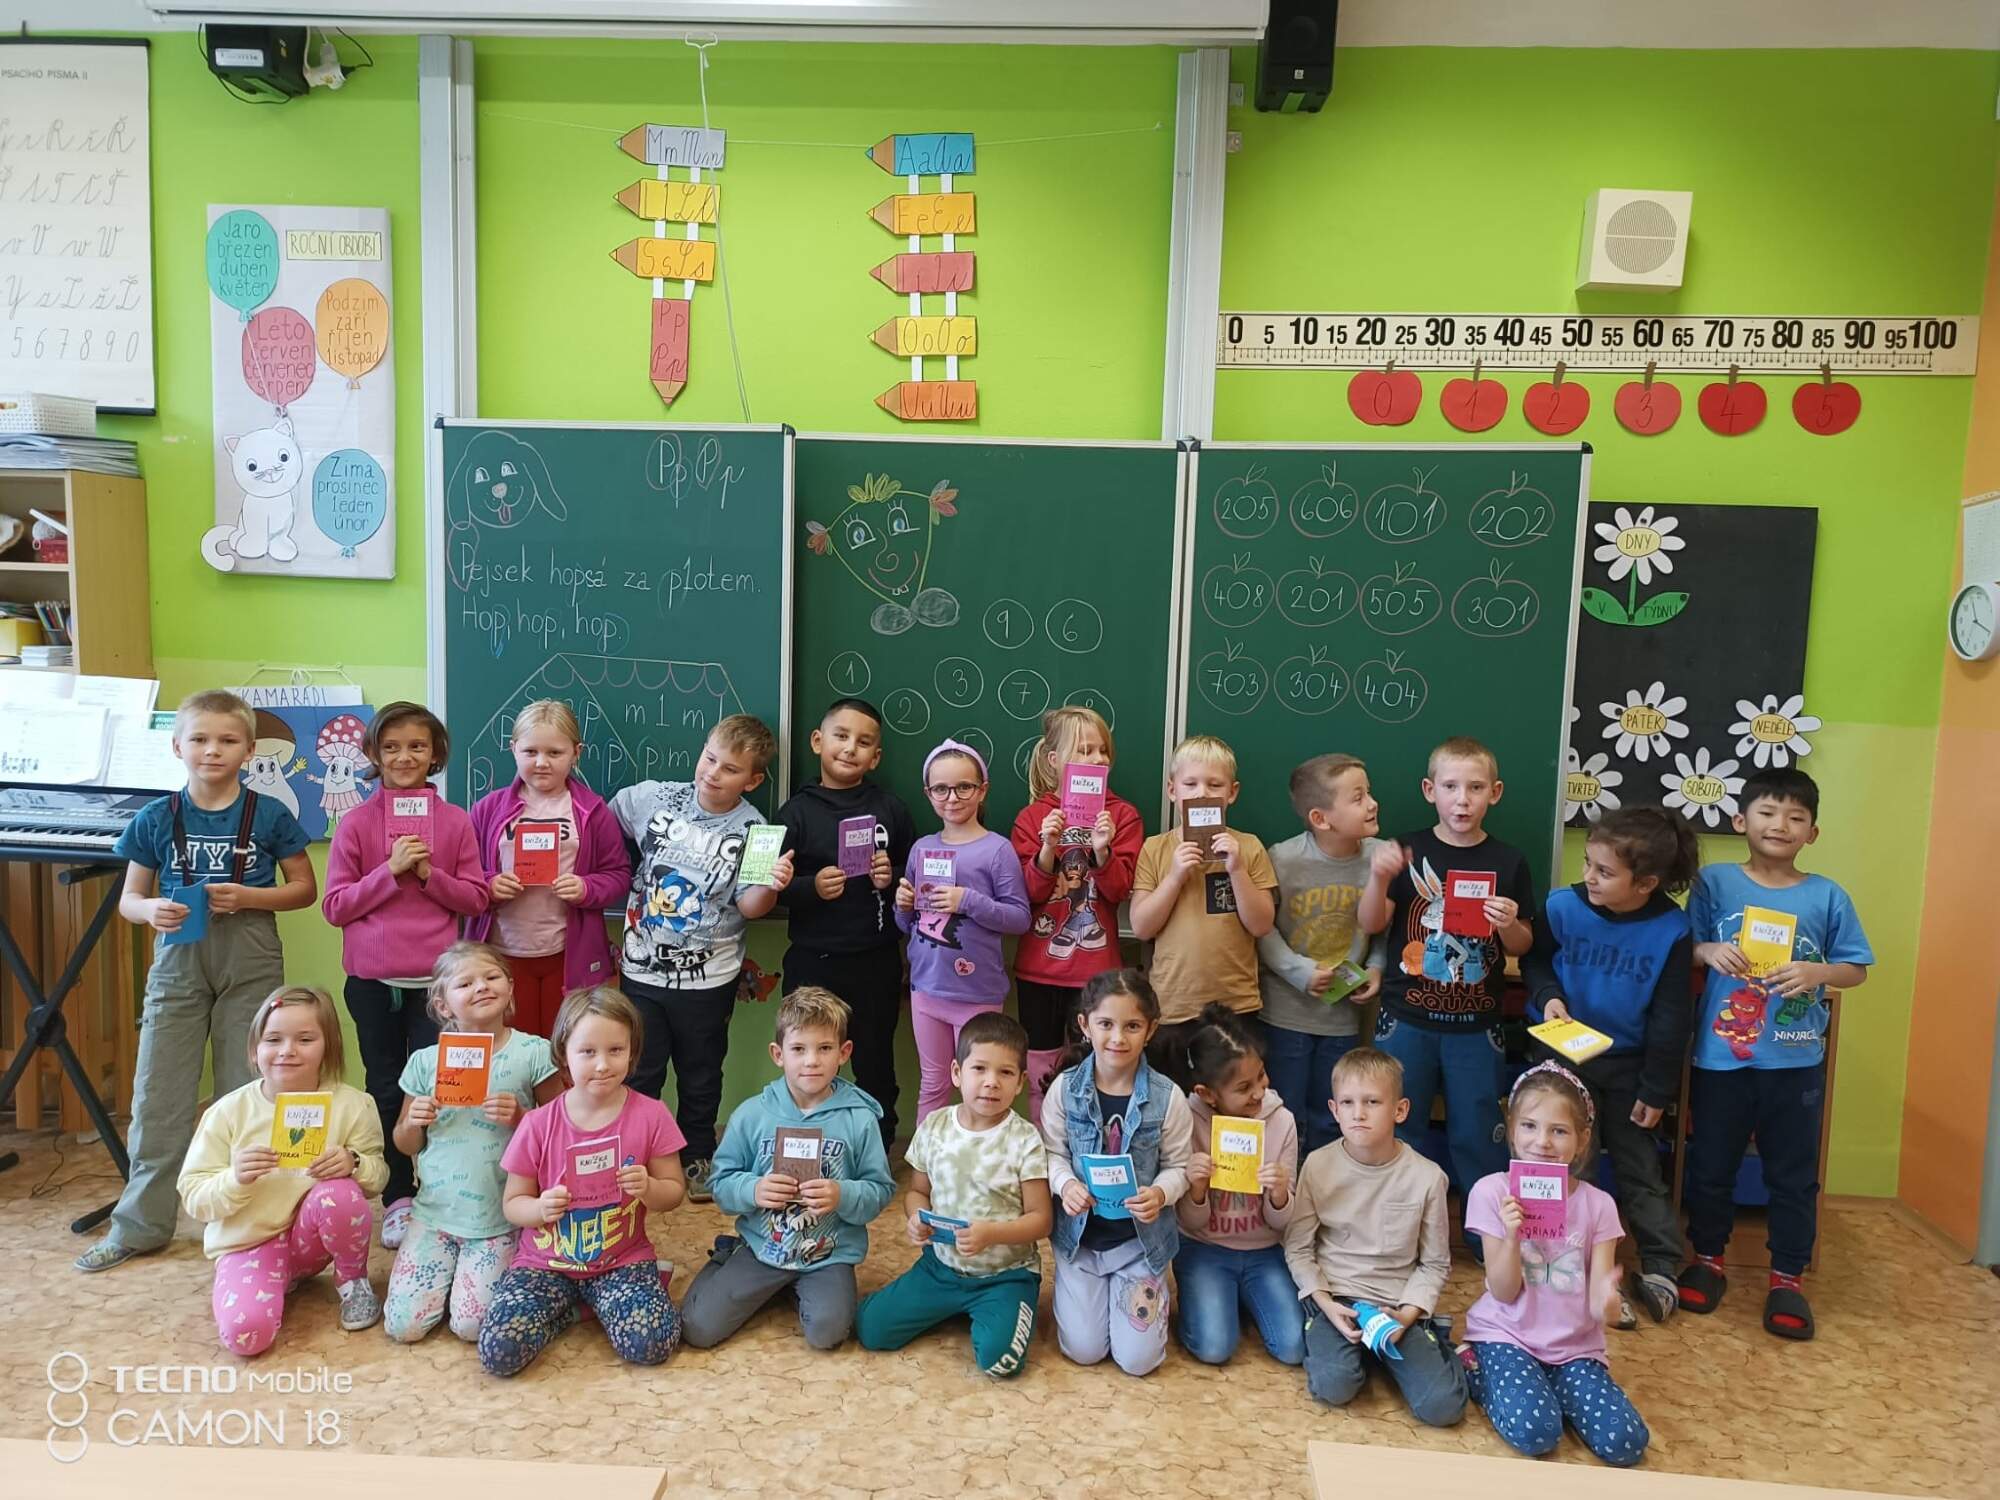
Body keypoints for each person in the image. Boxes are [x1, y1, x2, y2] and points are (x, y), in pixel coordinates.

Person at [77, 690, 316, 1273]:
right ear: (177, 746)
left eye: (228, 740)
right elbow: (130, 899)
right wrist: (149, 910)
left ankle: (253, 1227)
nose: (213, 750)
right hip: (178, 961)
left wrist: (250, 897)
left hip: (250, 956)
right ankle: (140, 1226)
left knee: (251, 1088)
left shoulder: (271, 814)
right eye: (201, 739)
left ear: (249, 750)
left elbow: (304, 890)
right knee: (159, 1094)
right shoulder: (156, 817)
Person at [1679, 768, 1872, 1340]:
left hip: (1795, 1061)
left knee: (1793, 1174)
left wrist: (1819, 972)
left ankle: (1788, 1277)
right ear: (1740, 821)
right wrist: (1707, 950)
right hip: (1722, 1058)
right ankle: (1707, 1260)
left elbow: (1856, 968)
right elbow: (1683, 947)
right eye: (1767, 812)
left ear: (1812, 832)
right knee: (1711, 1165)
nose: (1780, 825)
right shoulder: (1713, 882)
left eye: (1795, 817)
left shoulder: (1827, 894)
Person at [1522, 806, 1699, 1327]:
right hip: (1561, 1059)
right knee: (1561, 1165)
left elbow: (1671, 1016)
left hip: (1628, 1067)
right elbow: (1534, 959)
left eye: (1604, 871)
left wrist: (1656, 1089)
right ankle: (1558, 1265)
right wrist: (1549, 995)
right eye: (1587, 864)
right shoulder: (1561, 905)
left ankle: (1661, 1266)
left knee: (1639, 1167)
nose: (1589, 877)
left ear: (1645, 883)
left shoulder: (1672, 929)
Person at [323, 700, 490, 1249]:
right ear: (373, 754)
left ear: (435, 754)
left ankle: (445, 1190)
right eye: (391, 747)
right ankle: (398, 1195)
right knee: (385, 1087)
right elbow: (335, 907)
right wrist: (389, 872)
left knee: (448, 1088)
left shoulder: (455, 821)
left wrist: (428, 873)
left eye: (417, 746)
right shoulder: (356, 824)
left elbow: (476, 898)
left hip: (437, 988)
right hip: (373, 984)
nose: (404, 757)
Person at [611, 713, 791, 1202]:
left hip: (709, 978)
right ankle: (638, 1157)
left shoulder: (758, 832)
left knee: (701, 1073)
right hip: (642, 969)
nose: (713, 773)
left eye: (730, 769)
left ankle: (696, 1156)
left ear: (752, 780)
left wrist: (771, 885)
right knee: (641, 1070)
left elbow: (751, 907)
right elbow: (600, 828)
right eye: (710, 758)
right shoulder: (652, 798)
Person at [478, 986, 687, 1375]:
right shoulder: (538, 1124)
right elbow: (513, 1204)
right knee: (499, 1352)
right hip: (543, 1264)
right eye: (587, 1052)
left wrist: (649, 1188)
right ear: (563, 1055)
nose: (603, 1065)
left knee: (653, 1343)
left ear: (633, 1052)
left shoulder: (652, 1115)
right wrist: (539, 1208)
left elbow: (674, 1192)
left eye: (616, 1050)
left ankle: (594, 1303)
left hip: (621, 1261)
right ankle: (580, 1309)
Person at [1360, 736, 1534, 1199]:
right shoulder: (1406, 850)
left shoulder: (1509, 861)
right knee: (1398, 1130)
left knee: (1479, 1135)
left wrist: (1509, 923)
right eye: (1451, 786)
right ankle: (1400, 1226)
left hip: (1476, 1026)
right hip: (1406, 1019)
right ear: (1429, 790)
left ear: (1495, 793)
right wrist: (1378, 877)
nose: (1463, 799)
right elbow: (1371, 924)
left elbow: (1523, 944)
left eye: (1475, 788)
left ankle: (1485, 1230)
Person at [682, 988, 896, 1351]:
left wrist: (842, 1194)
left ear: (844, 1053)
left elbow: (880, 1189)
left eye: (824, 1048)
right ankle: (730, 1257)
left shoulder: (859, 1119)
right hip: (762, 1249)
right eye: (799, 1049)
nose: (811, 1061)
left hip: (827, 1255)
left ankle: (791, 1290)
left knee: (828, 1334)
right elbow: (720, 1183)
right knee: (697, 1330)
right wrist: (754, 1189)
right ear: (778, 1054)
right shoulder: (752, 1114)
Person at [176, 986, 387, 1355]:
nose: (288, 1050)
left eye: (305, 1039)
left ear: (329, 1048)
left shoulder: (353, 1104)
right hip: (248, 1244)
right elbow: (194, 1197)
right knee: (247, 1336)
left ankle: (352, 1280)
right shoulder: (227, 1112)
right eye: (273, 1039)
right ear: (254, 1051)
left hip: (311, 1243)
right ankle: (270, 1280)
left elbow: (378, 1177)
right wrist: (235, 1178)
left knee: (339, 1192)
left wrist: (354, 1162)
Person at [1461, 1062, 1651, 1467]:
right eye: (1529, 1126)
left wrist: (1608, 1301)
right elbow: (1503, 1291)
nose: (1542, 1142)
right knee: (1537, 1432)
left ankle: (1547, 1386)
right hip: (1507, 1335)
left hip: (1574, 1348)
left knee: (1626, 1442)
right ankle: (1476, 1368)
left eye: (1559, 1131)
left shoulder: (1599, 1205)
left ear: (1582, 1140)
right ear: (1512, 1129)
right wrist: (1512, 1235)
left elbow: (1603, 1306)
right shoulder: (1491, 1192)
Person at [383, 942, 560, 1344]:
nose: (481, 986)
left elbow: (560, 1133)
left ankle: (496, 1276)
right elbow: (405, 1144)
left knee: (472, 1326)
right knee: (403, 1327)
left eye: (492, 977)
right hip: (434, 1214)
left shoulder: (534, 1053)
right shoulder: (425, 1062)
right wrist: (413, 1121)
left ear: (510, 988)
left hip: (499, 1216)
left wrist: (521, 1117)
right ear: (442, 1005)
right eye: (465, 983)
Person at [856, 1012, 1052, 1377]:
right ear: (957, 1073)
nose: (991, 1082)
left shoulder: (1025, 1139)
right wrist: (916, 1218)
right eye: (979, 1069)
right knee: (870, 1329)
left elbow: (1041, 1220)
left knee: (1000, 1362)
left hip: (1005, 1276)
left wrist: (990, 1234)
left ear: (1020, 1082)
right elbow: (917, 1192)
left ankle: (987, 1308)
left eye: (1005, 1072)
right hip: (940, 1269)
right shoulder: (935, 1126)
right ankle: (953, 1305)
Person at [1282, 1047, 1465, 1425]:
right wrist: (1325, 1304)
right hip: (1338, 1298)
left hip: (1396, 1304)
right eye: (1348, 1103)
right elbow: (1298, 1248)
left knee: (1442, 1408)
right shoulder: (1317, 1164)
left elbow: (1434, 1264)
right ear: (1334, 1110)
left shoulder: (1428, 1177)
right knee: (1334, 1386)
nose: (1359, 1113)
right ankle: (1353, 1347)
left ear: (1400, 1110)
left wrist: (1406, 1316)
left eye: (1372, 1102)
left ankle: (1422, 1341)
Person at [777, 697, 917, 1149]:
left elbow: (917, 871)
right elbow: (768, 887)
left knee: (874, 1060)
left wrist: (892, 876)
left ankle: (877, 1147)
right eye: (841, 736)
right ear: (818, 741)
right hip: (812, 961)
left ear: (875, 757)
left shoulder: (890, 809)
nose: (850, 748)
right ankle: (804, 1145)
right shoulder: (794, 812)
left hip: (875, 959)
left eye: (864, 742)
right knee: (808, 1059)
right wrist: (811, 887)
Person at [1040, 968, 1193, 1377]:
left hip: (1138, 1245)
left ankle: (1134, 1293)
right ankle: (1086, 1294)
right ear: (1085, 1025)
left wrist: (1160, 1194)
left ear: (1151, 1029)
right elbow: (1051, 1154)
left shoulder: (1168, 1098)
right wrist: (1065, 1185)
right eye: (1105, 1024)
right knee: (1084, 1350)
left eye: (1132, 1026)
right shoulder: (1065, 1090)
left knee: (1138, 1361)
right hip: (1081, 1244)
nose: (1118, 1038)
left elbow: (1179, 1166)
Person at [1009, 705, 1144, 1123]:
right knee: (1040, 1069)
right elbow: (1026, 895)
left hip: (1096, 972)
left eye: (1103, 750)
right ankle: (1045, 1141)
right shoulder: (1033, 817)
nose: (1097, 759)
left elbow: (1120, 890)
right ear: (1055, 760)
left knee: (1093, 1065)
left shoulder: (1122, 815)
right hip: (1039, 970)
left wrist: (1102, 851)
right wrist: (1048, 849)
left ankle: (1087, 1141)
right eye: (1084, 750)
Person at [467, 699, 631, 1035]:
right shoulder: (487, 809)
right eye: (530, 752)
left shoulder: (593, 811)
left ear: (576, 753)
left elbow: (619, 875)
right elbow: (461, 876)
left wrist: (586, 888)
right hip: (499, 953)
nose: (541, 763)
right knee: (513, 1047)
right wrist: (489, 884)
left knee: (564, 1045)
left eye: (555, 753)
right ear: (513, 749)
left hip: (568, 954)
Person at [1259, 754, 1389, 1155]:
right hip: (1285, 1014)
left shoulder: (1380, 858)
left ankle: (1325, 1185)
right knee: (1285, 1112)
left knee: (1332, 1116)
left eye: (1369, 793)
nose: (1373, 804)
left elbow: (1386, 927)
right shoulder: (1283, 859)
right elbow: (1261, 929)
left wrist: (1376, 967)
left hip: (1343, 1017)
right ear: (1320, 818)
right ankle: (1285, 1188)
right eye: (1358, 797)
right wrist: (1297, 971)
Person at [895, 739, 1031, 1122]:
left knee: (981, 1089)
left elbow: (1019, 918)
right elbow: (907, 925)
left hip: (977, 992)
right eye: (941, 789)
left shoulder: (997, 850)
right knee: (933, 1083)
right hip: (926, 988)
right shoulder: (921, 848)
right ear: (928, 793)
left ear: (982, 790)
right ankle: (927, 1157)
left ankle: (979, 1155)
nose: (952, 797)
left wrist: (967, 900)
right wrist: (902, 905)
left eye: (963, 787)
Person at [1129, 735, 1277, 1082]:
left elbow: (1261, 924)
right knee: (1175, 1100)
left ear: (1232, 793)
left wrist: (1237, 870)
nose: (1202, 793)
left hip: (1235, 1007)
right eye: (1190, 784)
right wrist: (1175, 876)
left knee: (1233, 1096)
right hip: (1172, 1007)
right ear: (1172, 790)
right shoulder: (1155, 848)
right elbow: (1141, 927)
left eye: (1214, 785)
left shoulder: (1249, 847)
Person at [1173, 1003, 1302, 1366]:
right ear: (1207, 1094)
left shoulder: (1282, 1121)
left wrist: (1280, 1195)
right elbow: (1188, 1221)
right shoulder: (1186, 1121)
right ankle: (1206, 1304)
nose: (1259, 1092)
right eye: (1244, 1087)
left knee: (1294, 1347)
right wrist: (1197, 1189)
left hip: (1265, 1250)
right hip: (1204, 1247)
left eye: (1261, 1076)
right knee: (1214, 1348)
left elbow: (1282, 1223)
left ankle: (1239, 1298)